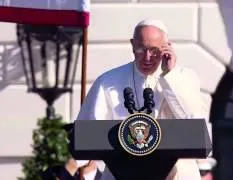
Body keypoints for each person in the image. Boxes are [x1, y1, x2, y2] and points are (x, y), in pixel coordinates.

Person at [75, 19, 205, 180]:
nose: (148, 57)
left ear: (168, 48)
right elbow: (86, 135)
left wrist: (170, 76)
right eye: (141, 49)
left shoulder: (185, 78)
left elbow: (194, 125)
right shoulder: (107, 82)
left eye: (154, 50)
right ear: (132, 45)